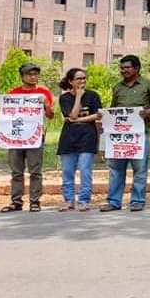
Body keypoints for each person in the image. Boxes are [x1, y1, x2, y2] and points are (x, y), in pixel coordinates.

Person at [101, 55, 150, 212]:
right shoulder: (117, 87)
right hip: (119, 137)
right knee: (115, 170)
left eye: (127, 67)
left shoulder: (149, 85)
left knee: (140, 170)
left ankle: (137, 201)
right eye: (122, 68)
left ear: (137, 68)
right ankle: (114, 201)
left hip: (140, 135)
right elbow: (114, 110)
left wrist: (147, 113)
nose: (124, 71)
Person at [0, 62, 55, 213]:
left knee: (35, 171)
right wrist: (1, 137)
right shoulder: (13, 93)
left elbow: (50, 116)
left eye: (35, 74)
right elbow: (5, 117)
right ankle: (16, 202)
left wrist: (46, 104)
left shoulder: (43, 93)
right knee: (16, 171)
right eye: (29, 74)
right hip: (16, 137)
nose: (33, 77)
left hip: (34, 137)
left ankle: (35, 202)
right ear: (22, 76)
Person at [57, 68, 102, 212]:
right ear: (71, 81)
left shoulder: (93, 96)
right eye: (78, 79)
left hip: (87, 138)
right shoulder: (64, 98)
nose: (82, 81)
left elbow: (97, 115)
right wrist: (78, 97)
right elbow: (72, 114)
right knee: (68, 171)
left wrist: (78, 119)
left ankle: (84, 200)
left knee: (85, 170)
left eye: (84, 78)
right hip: (68, 139)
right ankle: (69, 201)